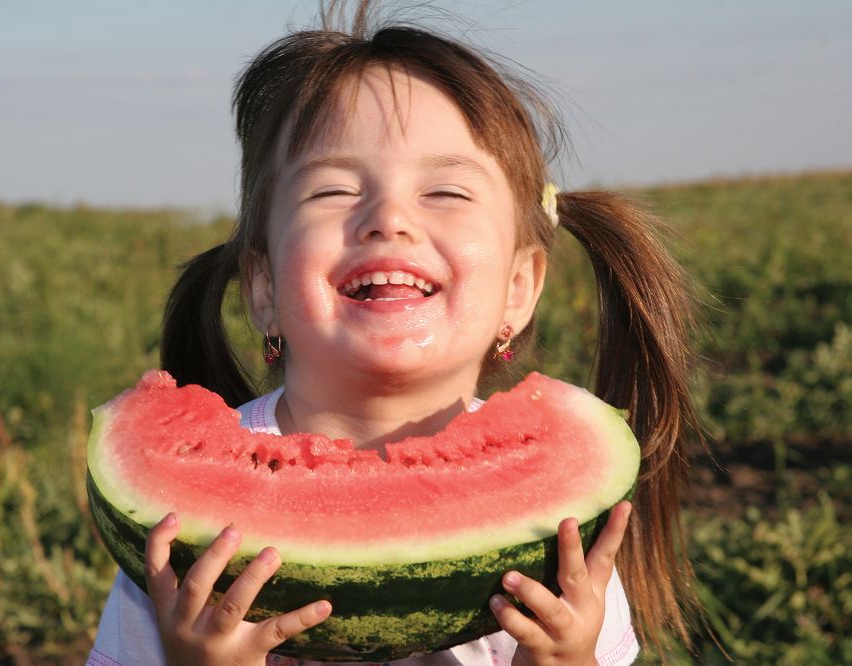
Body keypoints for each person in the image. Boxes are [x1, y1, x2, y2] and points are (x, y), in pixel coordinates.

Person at [89, 2, 701, 664]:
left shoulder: (563, 550)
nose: (388, 219)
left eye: (445, 192)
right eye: (333, 192)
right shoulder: (183, 540)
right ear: (263, 289)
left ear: (518, 290)